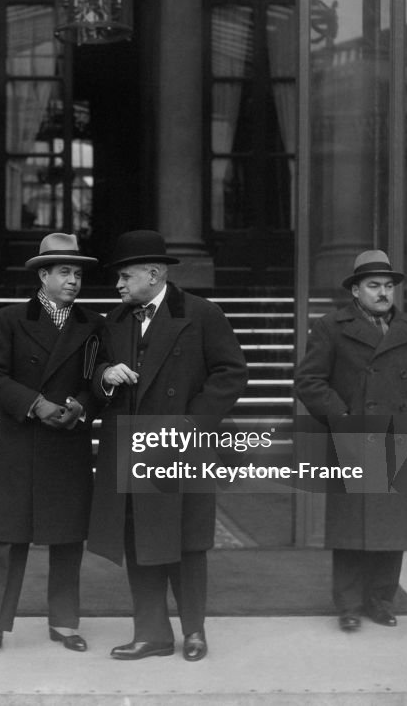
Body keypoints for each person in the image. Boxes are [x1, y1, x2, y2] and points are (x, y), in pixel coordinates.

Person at [88, 230, 248, 662]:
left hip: (183, 449)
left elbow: (231, 374)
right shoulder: (115, 320)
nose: (118, 285)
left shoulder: (201, 314)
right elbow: (93, 372)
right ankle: (152, 634)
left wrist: (192, 423)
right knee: (140, 540)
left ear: (154, 274)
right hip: (132, 450)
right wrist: (105, 374)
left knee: (189, 544)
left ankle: (194, 632)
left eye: (125, 276)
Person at [0, 233, 106, 656]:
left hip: (68, 443)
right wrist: (36, 404)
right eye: (64, 271)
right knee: (8, 538)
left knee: (66, 537)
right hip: (21, 441)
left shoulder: (93, 324)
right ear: (43, 275)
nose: (73, 281)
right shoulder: (10, 319)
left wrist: (81, 408)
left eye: (78, 273)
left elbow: (96, 380)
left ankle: (64, 623)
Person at [295, 249, 407, 632]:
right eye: (374, 285)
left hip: (399, 438)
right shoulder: (331, 327)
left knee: (392, 528)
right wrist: (343, 419)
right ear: (356, 291)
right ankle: (347, 604)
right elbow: (309, 381)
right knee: (350, 527)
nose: (383, 293)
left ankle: (381, 600)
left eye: (388, 286)